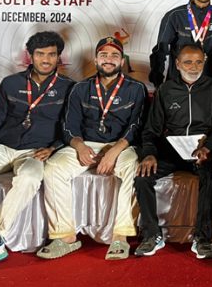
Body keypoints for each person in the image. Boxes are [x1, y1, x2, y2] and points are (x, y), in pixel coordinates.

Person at [0, 31, 74, 270]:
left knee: (30, 177)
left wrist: (54, 147)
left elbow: (71, 126)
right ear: (30, 56)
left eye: (52, 54)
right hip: (3, 147)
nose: (46, 59)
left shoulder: (70, 88)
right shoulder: (11, 83)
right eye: (40, 54)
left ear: (59, 57)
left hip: (35, 152)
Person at [37, 37, 147, 261]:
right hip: (86, 144)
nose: (109, 60)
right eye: (104, 55)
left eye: (114, 56)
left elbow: (137, 126)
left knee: (131, 167)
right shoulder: (80, 88)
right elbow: (68, 125)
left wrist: (114, 151)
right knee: (53, 168)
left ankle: (120, 236)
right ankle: (65, 237)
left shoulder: (136, 88)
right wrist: (79, 146)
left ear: (122, 61)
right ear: (96, 59)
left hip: (121, 145)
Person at [134, 44, 212, 259]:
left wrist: (208, 147)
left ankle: (202, 238)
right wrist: (149, 154)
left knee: (211, 177)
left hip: (201, 152)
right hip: (171, 151)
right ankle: (152, 235)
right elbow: (151, 130)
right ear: (177, 64)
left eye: (199, 62)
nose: (194, 67)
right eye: (188, 62)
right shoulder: (166, 90)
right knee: (142, 177)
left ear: (205, 62)